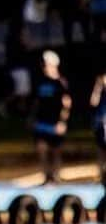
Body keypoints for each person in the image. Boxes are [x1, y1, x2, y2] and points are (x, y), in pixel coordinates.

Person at [32, 50, 72, 184]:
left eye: (46, 64)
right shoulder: (40, 81)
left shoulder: (60, 82)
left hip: (54, 122)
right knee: (41, 149)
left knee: (55, 151)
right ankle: (46, 177)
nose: (43, 67)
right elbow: (37, 101)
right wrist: (32, 117)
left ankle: (55, 176)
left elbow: (66, 104)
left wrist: (62, 121)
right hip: (41, 121)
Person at [89, 68, 106, 186]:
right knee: (101, 151)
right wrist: (98, 87)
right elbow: (93, 102)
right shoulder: (100, 92)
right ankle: (102, 175)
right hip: (100, 124)